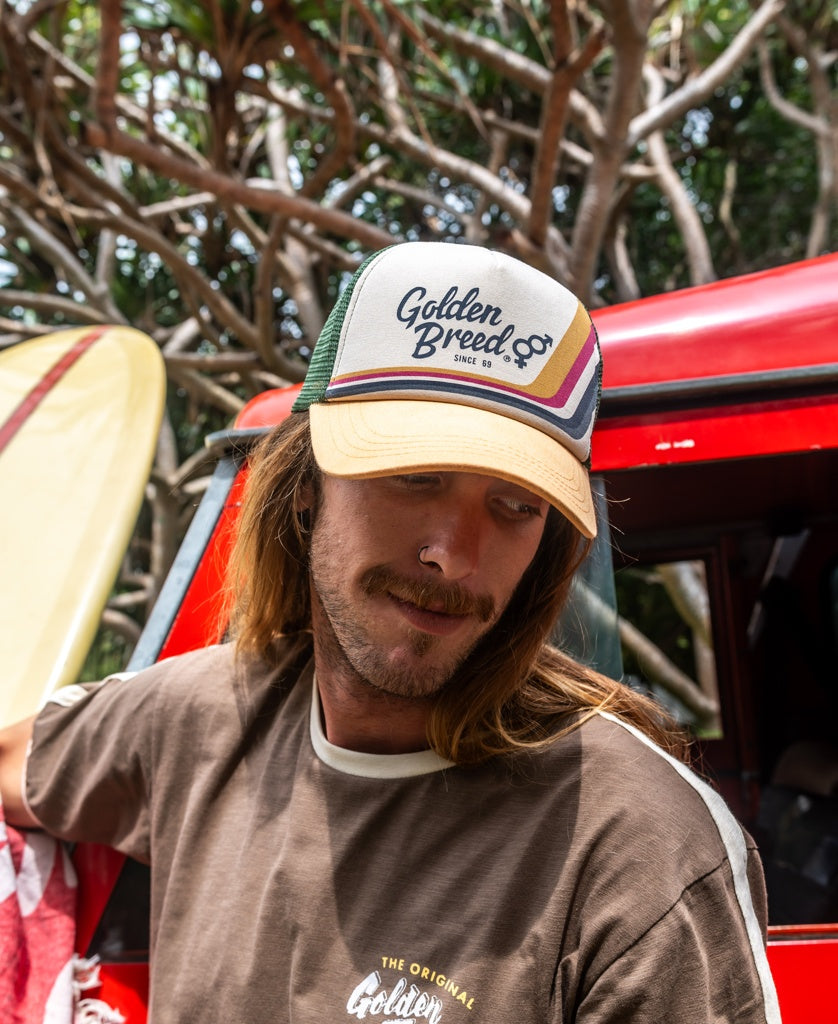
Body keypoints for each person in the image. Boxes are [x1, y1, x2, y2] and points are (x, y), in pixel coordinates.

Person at [0, 242, 780, 1023]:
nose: (452, 556)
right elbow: (18, 763)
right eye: (414, 477)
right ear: (306, 490)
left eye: (515, 505)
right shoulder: (202, 718)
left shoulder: (639, 848)